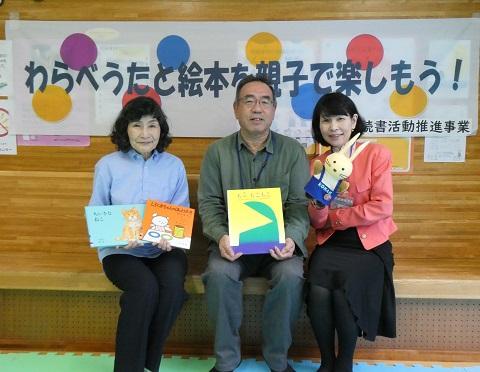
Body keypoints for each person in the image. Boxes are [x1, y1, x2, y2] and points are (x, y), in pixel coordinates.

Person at [198, 74, 310, 372]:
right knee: (218, 273)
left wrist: (292, 238)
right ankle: (226, 360)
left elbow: (300, 204)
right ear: (236, 109)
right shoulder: (216, 153)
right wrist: (221, 236)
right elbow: (209, 203)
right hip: (232, 246)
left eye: (264, 102)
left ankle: (277, 359)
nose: (256, 108)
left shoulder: (293, 152)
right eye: (249, 101)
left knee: (290, 275)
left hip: (278, 247)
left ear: (274, 110)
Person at [89, 96, 189, 372]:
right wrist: (117, 237)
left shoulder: (174, 165)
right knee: (144, 288)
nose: (145, 134)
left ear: (161, 129)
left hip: (161, 250)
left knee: (172, 291)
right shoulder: (107, 165)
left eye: (152, 125)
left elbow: (180, 213)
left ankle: (147, 365)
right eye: (137, 125)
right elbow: (97, 215)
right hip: (120, 252)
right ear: (125, 129)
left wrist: (171, 237)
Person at [306, 92, 397, 372]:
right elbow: (318, 223)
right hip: (331, 242)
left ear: (353, 120)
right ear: (318, 125)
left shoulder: (375, 154)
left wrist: (339, 217)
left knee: (344, 287)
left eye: (340, 118)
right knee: (318, 288)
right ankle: (326, 361)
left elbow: (383, 206)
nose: (333, 127)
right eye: (326, 120)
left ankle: (344, 362)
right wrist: (319, 207)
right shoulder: (318, 162)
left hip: (368, 245)